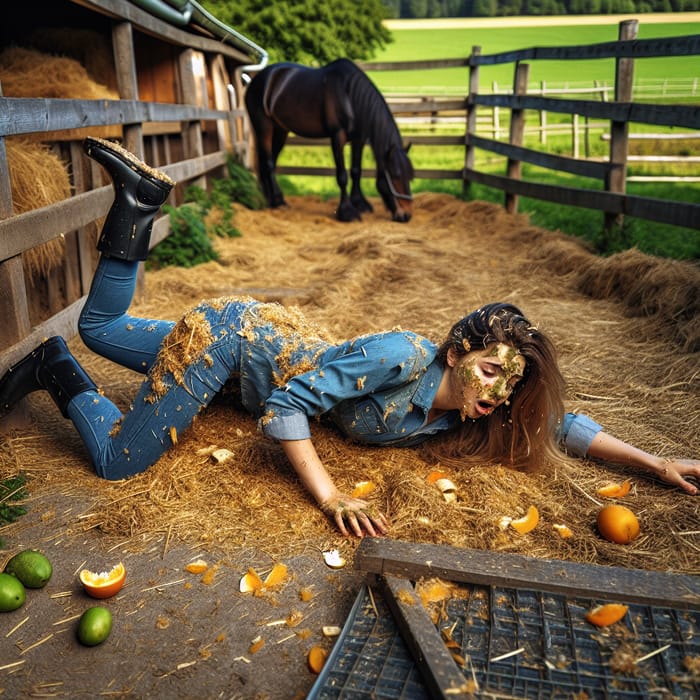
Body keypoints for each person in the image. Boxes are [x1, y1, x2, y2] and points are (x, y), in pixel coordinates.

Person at [1, 137, 697, 538]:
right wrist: (331, 496)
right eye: (492, 372)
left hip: (251, 336)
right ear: (457, 352)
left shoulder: (465, 406)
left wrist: (652, 462)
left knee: (101, 325)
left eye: (509, 384)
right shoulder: (401, 356)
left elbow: (560, 422)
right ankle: (59, 369)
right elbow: (287, 409)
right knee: (120, 462)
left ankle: (135, 205)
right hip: (223, 346)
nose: (500, 392)